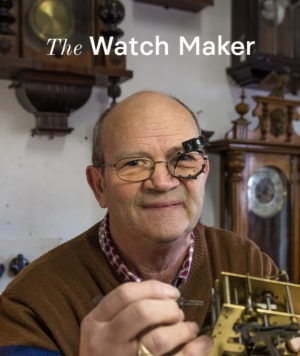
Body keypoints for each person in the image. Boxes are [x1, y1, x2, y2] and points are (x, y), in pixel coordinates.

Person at [0, 91, 298, 356]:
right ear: (99, 186)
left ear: (204, 171)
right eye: (133, 163)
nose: (162, 181)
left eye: (183, 159)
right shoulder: (31, 307)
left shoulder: (246, 263)